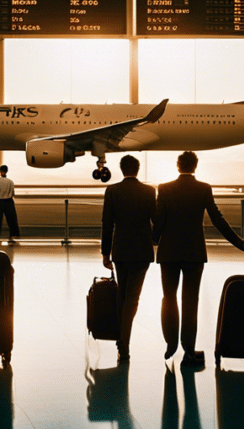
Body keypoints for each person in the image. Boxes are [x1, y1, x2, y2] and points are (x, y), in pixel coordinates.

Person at [152, 151, 244, 367]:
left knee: (168, 298)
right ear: (195, 166)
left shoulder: (164, 189)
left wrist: (152, 242)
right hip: (194, 253)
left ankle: (170, 344)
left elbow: (159, 222)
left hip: (169, 253)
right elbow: (218, 219)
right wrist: (240, 244)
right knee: (190, 302)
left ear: (177, 165)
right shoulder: (203, 189)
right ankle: (189, 351)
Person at [100, 155, 156, 364]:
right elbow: (156, 220)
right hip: (142, 251)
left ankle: (122, 340)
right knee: (133, 297)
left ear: (122, 169)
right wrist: (155, 239)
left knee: (121, 295)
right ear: (138, 169)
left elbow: (107, 223)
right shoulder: (149, 191)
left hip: (120, 250)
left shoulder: (112, 191)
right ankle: (124, 342)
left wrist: (106, 252)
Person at [0, 164, 20, 241]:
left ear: (0, 171)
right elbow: (13, 193)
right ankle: (13, 235)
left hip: (0, 201)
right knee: (11, 219)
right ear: (7, 171)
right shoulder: (10, 182)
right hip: (8, 201)